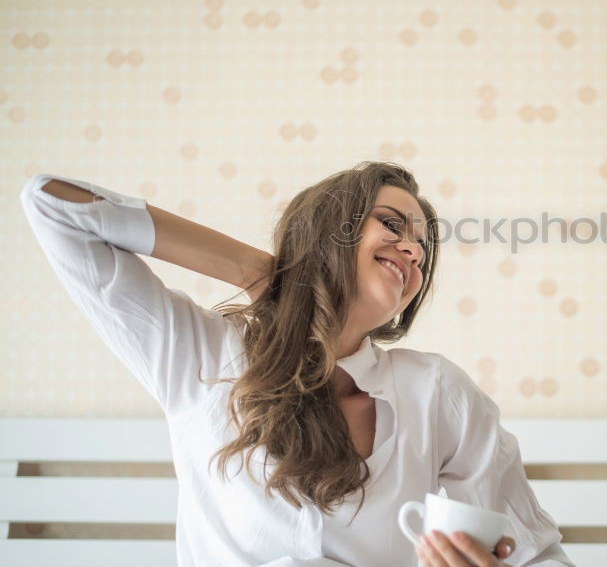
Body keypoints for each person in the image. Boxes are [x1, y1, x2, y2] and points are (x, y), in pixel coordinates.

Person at [19, 161, 574, 567]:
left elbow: (539, 554)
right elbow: (50, 202)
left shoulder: (437, 392)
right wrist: (264, 274)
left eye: (423, 250)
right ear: (327, 232)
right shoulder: (201, 355)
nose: (413, 252)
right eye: (393, 225)